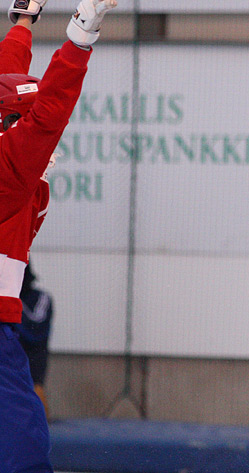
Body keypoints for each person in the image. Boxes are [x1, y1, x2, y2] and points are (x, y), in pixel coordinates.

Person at [0, 0, 118, 471]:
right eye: (21, 123)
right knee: (24, 447)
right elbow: (48, 112)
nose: (41, 140)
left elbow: (11, 83)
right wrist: (80, 36)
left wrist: (24, 24)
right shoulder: (9, 169)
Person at [16, 263, 54, 420]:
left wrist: (14, 305)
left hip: (33, 359)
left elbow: (36, 326)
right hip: (10, 356)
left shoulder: (41, 297)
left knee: (36, 401)